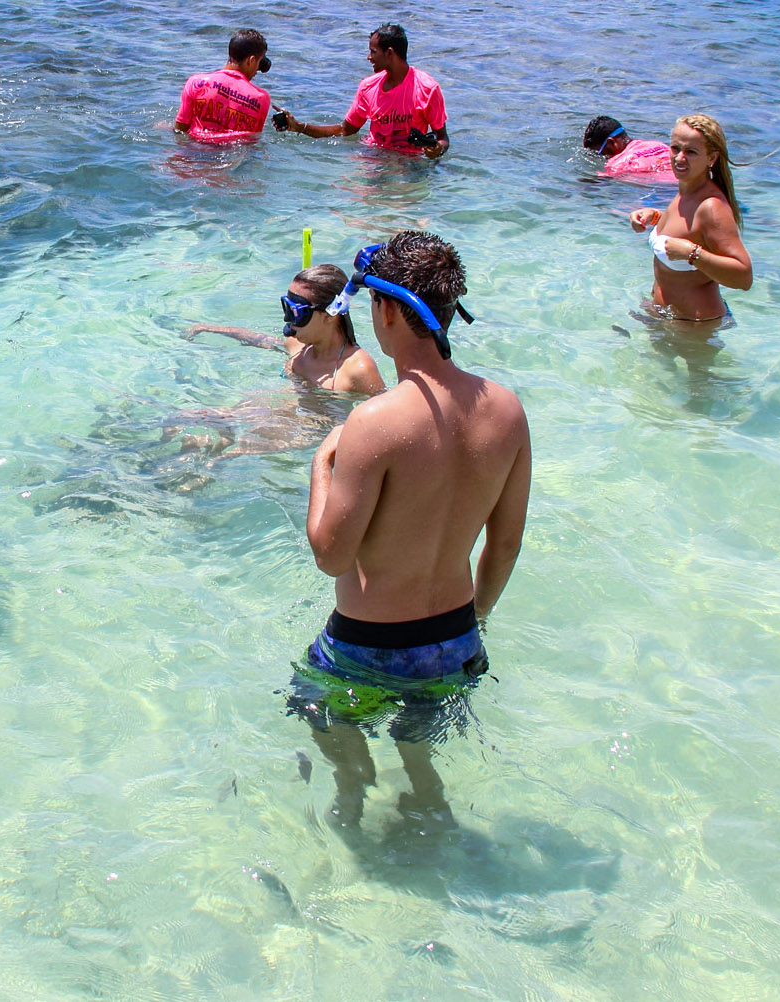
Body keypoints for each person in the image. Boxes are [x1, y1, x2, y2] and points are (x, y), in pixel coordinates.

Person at [289, 232, 530, 836]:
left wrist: (323, 463)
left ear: (388, 310)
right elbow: (504, 545)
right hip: (455, 640)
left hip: (366, 646)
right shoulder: (506, 408)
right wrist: (473, 623)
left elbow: (330, 554)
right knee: (420, 742)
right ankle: (426, 799)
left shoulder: (375, 421)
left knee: (314, 711)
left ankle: (352, 792)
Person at [185, 264, 387, 395]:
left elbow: (384, 420)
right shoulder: (300, 345)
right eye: (286, 307)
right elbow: (259, 340)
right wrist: (210, 328)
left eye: (296, 312)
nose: (288, 322)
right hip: (274, 414)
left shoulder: (357, 369)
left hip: (303, 435)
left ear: (328, 316)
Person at [628, 114, 752, 322]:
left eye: (691, 152)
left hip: (694, 326)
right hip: (666, 315)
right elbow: (689, 228)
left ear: (711, 158)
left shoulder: (711, 207)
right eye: (675, 148)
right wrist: (655, 216)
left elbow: (744, 277)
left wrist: (692, 254)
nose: (679, 158)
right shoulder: (687, 189)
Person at [274, 24, 448, 158]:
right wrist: (299, 127)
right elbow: (344, 130)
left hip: (409, 164)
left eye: (373, 51)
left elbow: (443, 138)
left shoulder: (427, 88)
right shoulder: (368, 87)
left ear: (389, 53)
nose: (369, 57)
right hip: (372, 159)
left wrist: (437, 150)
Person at [175, 29, 272, 143]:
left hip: (193, 151)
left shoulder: (196, 83)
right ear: (251, 60)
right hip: (231, 156)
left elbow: (180, 130)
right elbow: (252, 142)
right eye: (259, 62)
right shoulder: (261, 98)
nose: (258, 69)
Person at [582, 115, 674, 181]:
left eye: (599, 153)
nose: (602, 157)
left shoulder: (616, 165)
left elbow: (596, 185)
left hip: (665, 190)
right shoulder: (659, 145)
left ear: (611, 142)